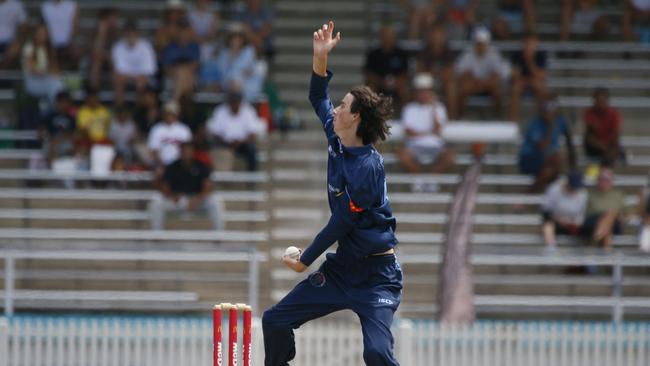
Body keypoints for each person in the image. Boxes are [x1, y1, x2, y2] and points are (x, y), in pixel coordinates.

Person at [263, 21, 402, 366]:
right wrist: (319, 58)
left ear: (355, 118)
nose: (336, 109)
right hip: (343, 271)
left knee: (377, 353)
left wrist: (304, 260)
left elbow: (342, 221)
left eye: (343, 106)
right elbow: (317, 96)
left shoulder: (367, 168)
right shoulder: (338, 137)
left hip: (377, 278)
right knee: (274, 320)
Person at [399, 73, 455, 192]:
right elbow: (409, 132)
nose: (423, 94)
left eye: (426, 91)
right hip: (415, 146)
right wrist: (428, 133)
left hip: (436, 146)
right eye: (421, 91)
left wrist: (433, 107)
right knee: (403, 155)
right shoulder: (409, 108)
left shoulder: (439, 107)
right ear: (416, 92)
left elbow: (438, 129)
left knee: (450, 156)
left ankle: (432, 179)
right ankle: (418, 178)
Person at [149, 141, 224, 230]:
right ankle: (157, 235)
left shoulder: (201, 166)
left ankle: (219, 235)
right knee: (157, 200)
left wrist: (196, 200)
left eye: (189, 150)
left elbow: (208, 187)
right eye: (184, 150)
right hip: (177, 200)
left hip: (197, 201)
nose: (186, 152)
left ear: (193, 152)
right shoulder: (172, 166)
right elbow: (165, 187)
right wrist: (174, 197)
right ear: (180, 151)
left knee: (215, 201)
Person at [518, 97, 576, 193]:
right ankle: (530, 193)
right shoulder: (534, 123)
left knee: (554, 166)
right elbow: (542, 147)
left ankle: (547, 193)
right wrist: (550, 126)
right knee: (554, 162)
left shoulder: (560, 120)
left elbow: (569, 141)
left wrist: (573, 164)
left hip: (547, 161)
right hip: (529, 158)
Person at [454, 27, 505, 118]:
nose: (481, 46)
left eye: (483, 44)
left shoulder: (493, 53)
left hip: (488, 85)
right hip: (473, 85)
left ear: (487, 44)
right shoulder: (468, 53)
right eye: (479, 44)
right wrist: (474, 81)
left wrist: (485, 82)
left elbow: (498, 75)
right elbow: (461, 72)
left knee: (497, 90)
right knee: (463, 88)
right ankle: (459, 118)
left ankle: (498, 118)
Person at [206, 87, 259, 171]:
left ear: (240, 102)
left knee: (252, 149)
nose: (234, 104)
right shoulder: (220, 111)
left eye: (236, 102)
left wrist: (240, 142)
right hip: (224, 142)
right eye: (232, 102)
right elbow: (214, 132)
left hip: (242, 144)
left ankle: (252, 177)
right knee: (212, 144)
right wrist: (227, 141)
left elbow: (253, 135)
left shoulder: (248, 110)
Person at [212, 24, 265, 102]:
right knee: (233, 84)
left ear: (243, 39)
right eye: (234, 37)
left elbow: (248, 70)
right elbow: (222, 71)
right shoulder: (224, 53)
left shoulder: (249, 51)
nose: (236, 40)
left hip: (247, 82)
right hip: (228, 82)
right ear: (229, 39)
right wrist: (232, 54)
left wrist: (242, 74)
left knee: (238, 84)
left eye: (239, 37)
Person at [111, 21, 157, 106]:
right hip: (125, 77)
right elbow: (119, 70)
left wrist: (135, 77)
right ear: (124, 33)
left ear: (137, 33)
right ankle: (120, 108)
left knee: (141, 82)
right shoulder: (118, 47)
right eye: (128, 32)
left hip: (142, 78)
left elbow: (147, 72)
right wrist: (131, 77)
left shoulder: (146, 47)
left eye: (132, 31)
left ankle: (138, 110)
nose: (130, 34)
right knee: (118, 79)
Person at [364, 25, 409, 110]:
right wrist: (381, 82)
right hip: (379, 84)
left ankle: (406, 116)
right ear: (381, 38)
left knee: (404, 90)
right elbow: (369, 73)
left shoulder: (401, 53)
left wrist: (397, 82)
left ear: (394, 37)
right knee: (370, 89)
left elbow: (405, 73)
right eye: (385, 37)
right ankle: (370, 114)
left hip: (397, 84)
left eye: (390, 37)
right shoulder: (373, 54)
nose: (387, 39)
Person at [416, 23, 455, 115]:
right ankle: (418, 116)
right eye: (434, 34)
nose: (436, 37)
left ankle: (453, 117)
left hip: (443, 80)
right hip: (427, 81)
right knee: (421, 84)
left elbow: (450, 71)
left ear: (443, 36)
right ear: (429, 36)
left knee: (451, 86)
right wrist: (431, 75)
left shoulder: (448, 52)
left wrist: (437, 74)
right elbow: (419, 70)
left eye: (439, 34)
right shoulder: (424, 51)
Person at [541, 171, 588, 249]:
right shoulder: (554, 189)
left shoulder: (583, 194)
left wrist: (571, 222)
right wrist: (559, 219)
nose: (574, 189)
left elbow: (581, 215)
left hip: (573, 224)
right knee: (548, 226)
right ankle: (551, 250)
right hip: (556, 222)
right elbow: (546, 212)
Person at [583, 166, 626, 248]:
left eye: (607, 180)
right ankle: (608, 257)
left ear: (612, 181)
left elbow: (625, 214)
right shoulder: (590, 194)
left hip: (614, 223)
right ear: (597, 180)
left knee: (610, 215)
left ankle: (595, 239)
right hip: (593, 222)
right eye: (601, 179)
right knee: (607, 232)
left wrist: (619, 216)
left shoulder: (618, 195)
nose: (604, 182)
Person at [21, 22, 64, 103]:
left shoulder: (50, 49)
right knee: (54, 84)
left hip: (46, 79)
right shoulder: (29, 47)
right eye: (40, 33)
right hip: (33, 81)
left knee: (57, 82)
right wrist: (49, 72)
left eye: (44, 33)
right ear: (35, 34)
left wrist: (54, 74)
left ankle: (56, 107)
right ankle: (56, 107)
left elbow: (56, 70)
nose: (42, 36)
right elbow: (33, 71)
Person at [509, 32, 548, 122]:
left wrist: (530, 62)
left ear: (536, 44)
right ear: (523, 43)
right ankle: (513, 121)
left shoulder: (541, 55)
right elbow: (514, 74)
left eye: (532, 44)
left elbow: (541, 75)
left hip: (534, 81)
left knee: (540, 88)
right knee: (515, 88)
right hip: (522, 81)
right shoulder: (516, 55)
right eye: (527, 43)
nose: (529, 46)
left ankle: (542, 119)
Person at [161, 19, 200, 101]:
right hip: (173, 77)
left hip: (191, 77)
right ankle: (184, 105)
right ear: (177, 32)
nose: (183, 33)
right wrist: (179, 71)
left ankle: (174, 102)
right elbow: (166, 69)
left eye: (186, 30)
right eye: (181, 31)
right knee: (181, 74)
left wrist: (183, 70)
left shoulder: (194, 47)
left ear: (189, 32)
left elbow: (195, 66)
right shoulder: (170, 47)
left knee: (183, 75)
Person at [583, 87, 624, 164]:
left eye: (602, 101)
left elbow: (616, 133)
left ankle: (605, 170)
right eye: (598, 101)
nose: (600, 104)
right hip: (595, 148)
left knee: (613, 152)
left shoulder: (614, 114)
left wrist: (612, 147)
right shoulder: (589, 114)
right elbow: (590, 138)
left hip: (609, 146)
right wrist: (605, 148)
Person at [147, 100, 192, 167]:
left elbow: (188, 150)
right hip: (161, 164)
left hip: (180, 165)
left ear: (176, 114)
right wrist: (162, 165)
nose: (169, 116)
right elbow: (154, 150)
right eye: (167, 113)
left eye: (171, 113)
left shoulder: (184, 129)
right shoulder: (157, 129)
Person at [40, 90, 77, 165]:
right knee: (52, 147)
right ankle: (52, 172)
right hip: (51, 142)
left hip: (65, 142)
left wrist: (61, 138)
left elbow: (73, 134)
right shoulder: (50, 116)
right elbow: (43, 132)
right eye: (61, 102)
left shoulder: (71, 118)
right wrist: (51, 139)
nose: (63, 105)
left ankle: (69, 170)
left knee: (73, 148)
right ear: (57, 102)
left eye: (66, 102)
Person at [40, 0, 79, 69]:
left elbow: (75, 27)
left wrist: (70, 43)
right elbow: (43, 29)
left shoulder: (71, 5)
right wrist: (48, 45)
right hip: (50, 45)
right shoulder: (45, 6)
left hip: (68, 44)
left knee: (74, 53)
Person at [88, 8, 119, 88]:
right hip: (97, 59)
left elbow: (118, 50)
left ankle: (116, 89)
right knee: (96, 61)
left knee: (113, 61)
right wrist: (101, 33)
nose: (114, 20)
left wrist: (107, 54)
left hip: (111, 59)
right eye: (112, 17)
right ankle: (94, 90)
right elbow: (94, 51)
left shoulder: (116, 31)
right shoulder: (95, 30)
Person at [0, 0, 28, 68]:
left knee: (13, 51)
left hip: (10, 43)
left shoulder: (16, 5)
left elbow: (24, 26)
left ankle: (3, 72)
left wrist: (18, 42)